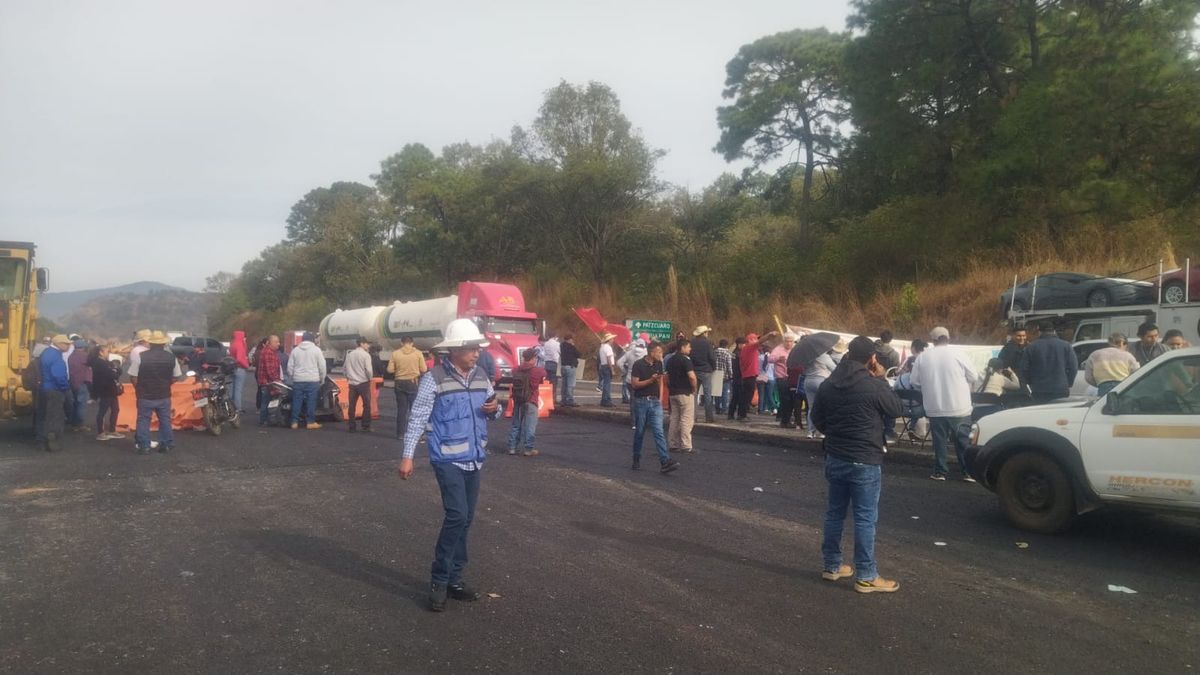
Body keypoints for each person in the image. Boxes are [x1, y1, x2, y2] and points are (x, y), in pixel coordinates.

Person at [397, 318, 501, 612]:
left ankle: (455, 579)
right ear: (454, 350)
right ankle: (439, 580)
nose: (477, 353)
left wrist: (495, 408)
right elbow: (418, 417)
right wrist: (407, 456)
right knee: (457, 515)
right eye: (471, 348)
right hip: (447, 459)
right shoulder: (435, 378)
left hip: (474, 458)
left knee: (466, 519)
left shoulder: (481, 375)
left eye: (478, 348)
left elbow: (494, 410)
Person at [813, 335, 903, 593]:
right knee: (864, 518)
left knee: (834, 513)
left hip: (836, 455)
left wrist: (837, 434)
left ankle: (832, 566)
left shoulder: (829, 384)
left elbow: (818, 419)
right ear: (872, 359)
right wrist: (882, 378)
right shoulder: (873, 385)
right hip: (865, 458)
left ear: (848, 355)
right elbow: (896, 409)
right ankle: (866, 575)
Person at [910, 327, 978, 481]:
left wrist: (929, 386)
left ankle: (940, 472)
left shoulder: (923, 357)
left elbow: (914, 381)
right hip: (960, 407)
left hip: (935, 407)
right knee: (963, 441)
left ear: (933, 340)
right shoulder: (959, 354)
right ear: (948, 338)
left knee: (940, 442)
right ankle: (967, 472)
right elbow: (973, 376)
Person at [630, 343, 681, 474]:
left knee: (658, 431)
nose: (661, 355)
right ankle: (636, 457)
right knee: (640, 431)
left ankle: (665, 461)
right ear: (651, 353)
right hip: (642, 401)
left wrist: (660, 398)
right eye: (659, 352)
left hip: (655, 402)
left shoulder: (659, 364)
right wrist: (650, 380)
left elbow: (660, 381)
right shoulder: (638, 365)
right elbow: (634, 384)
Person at [129, 331, 183, 454]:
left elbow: (133, 376)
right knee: (165, 420)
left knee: (143, 420)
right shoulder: (171, 357)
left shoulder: (141, 356)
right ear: (164, 343)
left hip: (145, 395)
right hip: (164, 395)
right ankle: (166, 444)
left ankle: (144, 446)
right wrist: (166, 384)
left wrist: (139, 388)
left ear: (150, 343)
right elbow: (177, 376)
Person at [1018, 320, 1077, 403]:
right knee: (1059, 410)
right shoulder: (1066, 346)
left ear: (1039, 331)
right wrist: (1068, 382)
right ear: (1054, 331)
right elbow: (1073, 367)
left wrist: (1030, 382)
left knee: (1042, 410)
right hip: (1060, 388)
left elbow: (1024, 369)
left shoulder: (1031, 347)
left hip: (1039, 389)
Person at [36, 335, 72, 452]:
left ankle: (41, 441)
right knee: (55, 416)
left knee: (42, 415)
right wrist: (65, 387)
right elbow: (59, 375)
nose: (68, 346)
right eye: (66, 344)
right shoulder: (56, 356)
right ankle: (53, 441)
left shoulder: (46, 353)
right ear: (59, 344)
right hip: (55, 389)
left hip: (44, 388)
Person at [507, 350, 546, 456]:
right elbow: (543, 376)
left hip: (518, 400)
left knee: (516, 424)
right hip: (531, 400)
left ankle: (512, 447)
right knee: (530, 426)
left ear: (523, 358)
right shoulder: (538, 371)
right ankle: (528, 449)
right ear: (533, 359)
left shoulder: (516, 369)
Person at [388, 335, 428, 438]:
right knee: (414, 409)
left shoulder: (395, 353)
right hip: (413, 382)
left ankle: (400, 434)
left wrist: (399, 369)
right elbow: (424, 369)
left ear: (401, 343)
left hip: (399, 382)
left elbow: (390, 370)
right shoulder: (418, 353)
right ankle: (417, 433)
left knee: (402, 410)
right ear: (412, 343)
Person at [286, 331, 326, 430]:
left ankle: (294, 422)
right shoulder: (317, 350)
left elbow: (290, 366)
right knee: (311, 401)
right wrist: (322, 378)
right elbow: (322, 366)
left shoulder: (295, 350)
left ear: (302, 339)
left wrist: (292, 376)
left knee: (297, 400)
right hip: (313, 380)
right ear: (312, 340)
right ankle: (310, 422)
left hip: (298, 380)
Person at [736, 331, 779, 421]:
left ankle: (741, 414)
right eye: (755, 339)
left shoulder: (746, 349)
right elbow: (760, 341)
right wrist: (769, 335)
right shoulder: (750, 348)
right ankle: (742, 415)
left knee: (745, 396)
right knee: (747, 396)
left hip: (747, 375)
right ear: (751, 340)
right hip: (750, 375)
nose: (757, 341)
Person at [666, 338, 697, 454]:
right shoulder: (685, 360)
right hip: (685, 392)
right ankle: (686, 445)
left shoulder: (670, 360)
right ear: (683, 347)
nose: (690, 349)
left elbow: (666, 377)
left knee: (674, 418)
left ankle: (672, 444)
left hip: (673, 392)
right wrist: (694, 388)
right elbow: (692, 377)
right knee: (686, 419)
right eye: (689, 347)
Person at [88, 344, 124, 441]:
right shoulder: (100, 364)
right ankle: (100, 432)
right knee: (102, 412)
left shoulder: (105, 363)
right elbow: (113, 375)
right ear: (101, 352)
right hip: (105, 390)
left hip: (111, 390)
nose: (109, 353)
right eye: (107, 351)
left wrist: (116, 371)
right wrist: (116, 371)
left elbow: (116, 372)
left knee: (115, 410)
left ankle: (112, 430)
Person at [804, 346, 840, 439]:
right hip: (820, 380)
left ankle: (810, 432)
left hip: (808, 381)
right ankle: (822, 432)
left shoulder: (807, 356)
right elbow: (835, 369)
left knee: (811, 408)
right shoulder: (824, 356)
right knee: (824, 406)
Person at [344, 337, 375, 433]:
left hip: (352, 384)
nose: (368, 345)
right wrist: (370, 378)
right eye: (367, 343)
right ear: (362, 344)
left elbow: (344, 369)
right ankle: (365, 426)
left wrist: (348, 378)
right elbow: (369, 370)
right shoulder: (366, 355)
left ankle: (352, 426)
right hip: (363, 383)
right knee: (366, 405)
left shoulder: (349, 355)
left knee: (352, 405)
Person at [689, 325, 718, 423]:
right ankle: (709, 417)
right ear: (704, 333)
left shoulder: (692, 342)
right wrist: (713, 367)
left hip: (694, 370)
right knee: (707, 395)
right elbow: (712, 357)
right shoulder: (707, 343)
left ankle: (693, 417)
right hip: (706, 370)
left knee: (694, 394)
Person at [617, 338, 647, 427]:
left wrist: (625, 371)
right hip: (642, 380)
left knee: (633, 401)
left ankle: (633, 422)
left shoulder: (629, 353)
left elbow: (619, 363)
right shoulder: (646, 353)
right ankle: (641, 421)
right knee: (643, 401)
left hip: (630, 379)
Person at [771, 333, 798, 428]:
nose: (789, 343)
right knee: (785, 399)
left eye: (791, 341)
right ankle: (784, 421)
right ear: (783, 341)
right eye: (787, 341)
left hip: (792, 377)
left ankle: (787, 419)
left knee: (792, 399)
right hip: (781, 377)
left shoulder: (795, 348)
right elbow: (770, 359)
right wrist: (778, 358)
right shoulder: (778, 349)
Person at [67, 336, 93, 432]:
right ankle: (80, 424)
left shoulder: (71, 356)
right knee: (81, 404)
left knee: (75, 403)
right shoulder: (85, 356)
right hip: (82, 383)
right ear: (83, 347)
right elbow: (91, 367)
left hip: (73, 382)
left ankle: (73, 424)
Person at [255, 335, 282, 426]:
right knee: (266, 401)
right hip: (267, 382)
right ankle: (264, 420)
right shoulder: (268, 353)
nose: (278, 344)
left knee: (266, 401)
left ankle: (266, 420)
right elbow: (270, 370)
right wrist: (277, 380)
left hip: (267, 381)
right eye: (276, 342)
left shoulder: (269, 351)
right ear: (270, 343)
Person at [229, 330, 250, 413]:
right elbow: (239, 359)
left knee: (231, 389)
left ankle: (230, 407)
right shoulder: (240, 345)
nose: (245, 339)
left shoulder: (232, 344)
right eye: (244, 337)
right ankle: (238, 407)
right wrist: (246, 366)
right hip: (240, 368)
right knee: (238, 389)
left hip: (231, 368)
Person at [559, 334, 580, 406]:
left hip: (563, 366)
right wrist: (573, 346)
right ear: (570, 339)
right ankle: (570, 400)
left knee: (564, 384)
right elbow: (578, 354)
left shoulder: (561, 346)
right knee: (570, 384)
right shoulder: (571, 346)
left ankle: (563, 400)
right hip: (570, 367)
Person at [715, 338, 734, 415]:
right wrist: (731, 375)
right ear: (726, 345)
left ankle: (717, 408)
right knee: (725, 393)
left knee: (717, 393)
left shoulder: (714, 352)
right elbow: (729, 366)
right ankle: (724, 409)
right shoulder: (727, 354)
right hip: (725, 375)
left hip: (716, 374)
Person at [597, 332, 616, 407]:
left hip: (603, 366)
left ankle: (605, 400)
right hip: (607, 366)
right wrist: (612, 369)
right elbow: (608, 359)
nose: (613, 340)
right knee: (607, 384)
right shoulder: (608, 347)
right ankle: (606, 400)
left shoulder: (602, 347)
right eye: (612, 339)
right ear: (609, 340)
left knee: (605, 383)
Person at [542, 333, 561, 404]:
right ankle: (553, 399)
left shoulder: (546, 344)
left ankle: (546, 397)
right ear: (555, 336)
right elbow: (560, 352)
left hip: (547, 363)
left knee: (547, 382)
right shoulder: (557, 344)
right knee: (554, 382)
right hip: (554, 363)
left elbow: (544, 353)